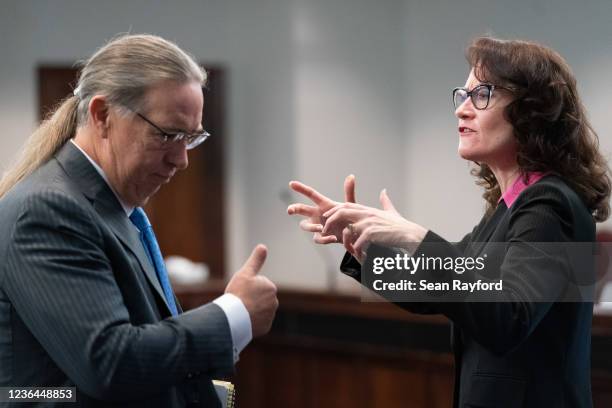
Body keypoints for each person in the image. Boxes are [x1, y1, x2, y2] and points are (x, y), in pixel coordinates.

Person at [288, 37, 611, 408]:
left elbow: (509, 317)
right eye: (463, 95)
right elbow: (443, 288)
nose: (462, 110)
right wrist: (364, 248)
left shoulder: (550, 204)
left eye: (482, 95)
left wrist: (416, 236)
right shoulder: (509, 207)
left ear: (532, 110)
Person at [0, 34, 278, 407]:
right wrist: (233, 315)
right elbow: (110, 362)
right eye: (167, 135)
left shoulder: (114, 210)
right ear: (102, 116)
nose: (181, 160)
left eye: (190, 138)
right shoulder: (48, 210)